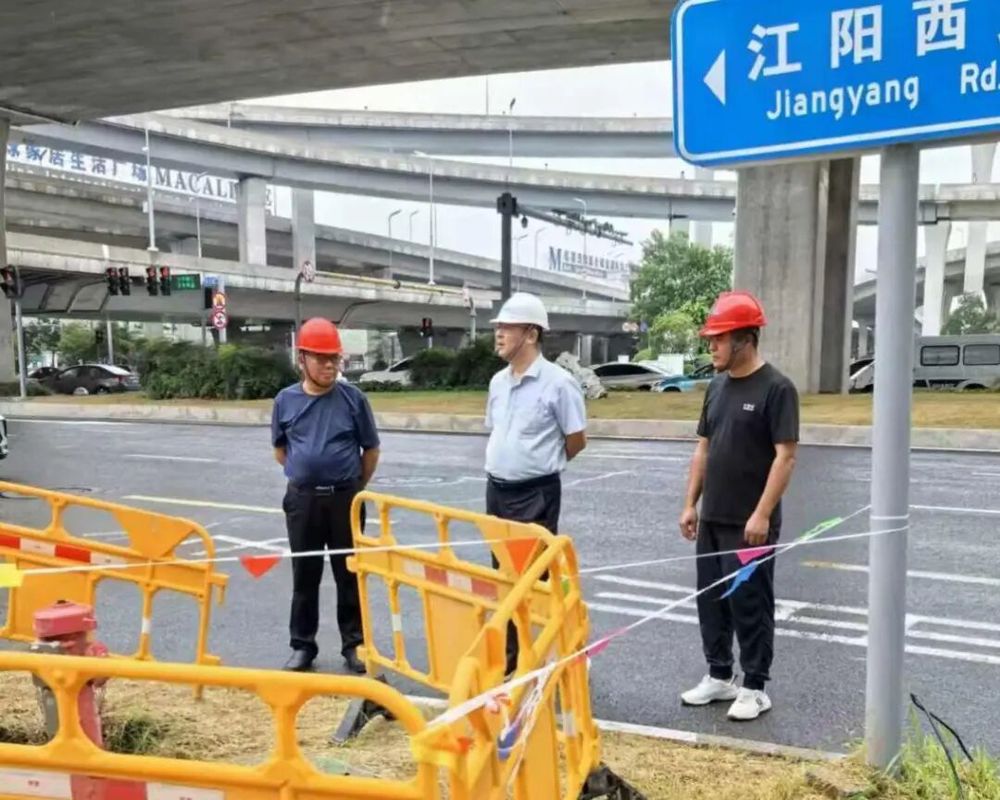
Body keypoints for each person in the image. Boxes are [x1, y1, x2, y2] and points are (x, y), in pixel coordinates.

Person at [677, 291, 799, 721]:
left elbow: (785, 457)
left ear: (745, 339)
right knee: (711, 600)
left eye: (719, 338)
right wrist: (690, 503)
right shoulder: (716, 388)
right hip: (712, 517)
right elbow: (704, 448)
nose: (711, 346)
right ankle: (719, 675)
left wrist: (762, 513)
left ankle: (755, 686)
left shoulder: (777, 389)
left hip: (751, 524)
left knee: (749, 602)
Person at [484, 292, 588, 673]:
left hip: (535, 494)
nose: (498, 334)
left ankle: (558, 650)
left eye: (507, 327)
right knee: (504, 577)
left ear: (530, 334)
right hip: (497, 491)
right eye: (498, 327)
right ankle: (514, 660)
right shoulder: (498, 382)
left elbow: (576, 439)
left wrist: (543, 464)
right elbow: (496, 430)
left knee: (536, 579)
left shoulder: (559, 384)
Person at [271, 318, 381, 674]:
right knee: (305, 575)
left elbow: (371, 450)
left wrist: (353, 485)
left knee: (349, 574)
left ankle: (354, 644)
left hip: (345, 499)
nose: (330, 365)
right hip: (303, 501)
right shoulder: (285, 401)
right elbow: (281, 451)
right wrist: (308, 473)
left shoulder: (353, 399)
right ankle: (302, 646)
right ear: (302, 359)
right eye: (321, 358)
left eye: (334, 358)